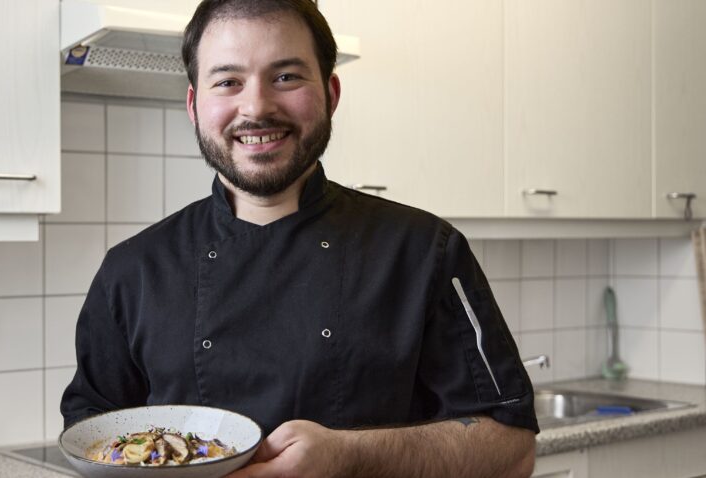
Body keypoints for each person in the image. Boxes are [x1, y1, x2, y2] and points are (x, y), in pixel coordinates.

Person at [61, 0, 538, 476]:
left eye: (286, 77)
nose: (257, 107)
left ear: (331, 93)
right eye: (228, 82)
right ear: (194, 105)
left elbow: (512, 448)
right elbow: (95, 441)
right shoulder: (132, 272)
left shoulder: (425, 251)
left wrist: (352, 456)